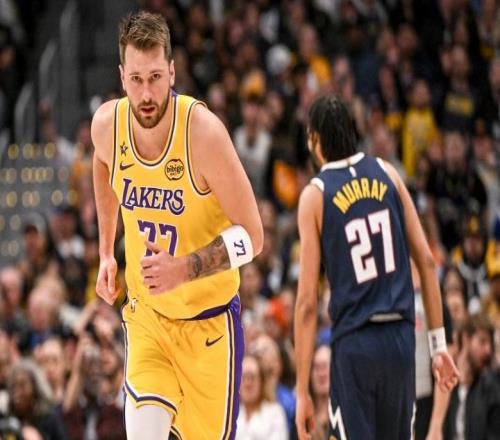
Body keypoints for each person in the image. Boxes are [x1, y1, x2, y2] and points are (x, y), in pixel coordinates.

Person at [91, 11, 263, 440]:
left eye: (155, 77)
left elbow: (253, 236)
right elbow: (102, 163)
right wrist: (106, 251)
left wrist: (184, 269)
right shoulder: (108, 126)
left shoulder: (203, 134)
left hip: (209, 327)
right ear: (122, 76)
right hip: (148, 319)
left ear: (172, 71)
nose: (146, 93)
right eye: (135, 79)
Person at [294, 94, 459, 440]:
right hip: (400, 339)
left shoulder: (316, 194)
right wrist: (438, 346)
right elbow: (427, 262)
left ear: (315, 139)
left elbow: (307, 304)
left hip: (356, 343)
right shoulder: (388, 173)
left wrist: (302, 390)